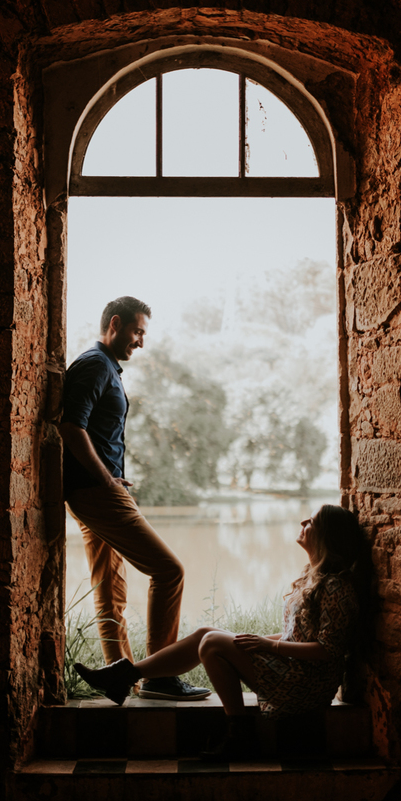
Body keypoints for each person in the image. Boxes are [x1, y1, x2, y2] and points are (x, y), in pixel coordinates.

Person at [75, 504, 367, 760]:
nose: (303, 522)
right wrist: (259, 642)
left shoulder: (336, 588)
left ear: (327, 536)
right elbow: (298, 634)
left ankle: (241, 736)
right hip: (295, 671)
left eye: (311, 521)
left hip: (306, 687)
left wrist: (268, 645)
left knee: (213, 642)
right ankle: (124, 675)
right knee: (207, 632)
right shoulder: (312, 577)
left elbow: (328, 649)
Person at [60, 296, 209, 701]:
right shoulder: (95, 365)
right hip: (98, 494)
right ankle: (160, 676)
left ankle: (121, 679)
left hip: (93, 492)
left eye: (143, 333)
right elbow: (71, 427)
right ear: (115, 323)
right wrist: (107, 480)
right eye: (137, 331)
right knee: (169, 572)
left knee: (110, 589)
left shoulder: (104, 366)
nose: (141, 341)